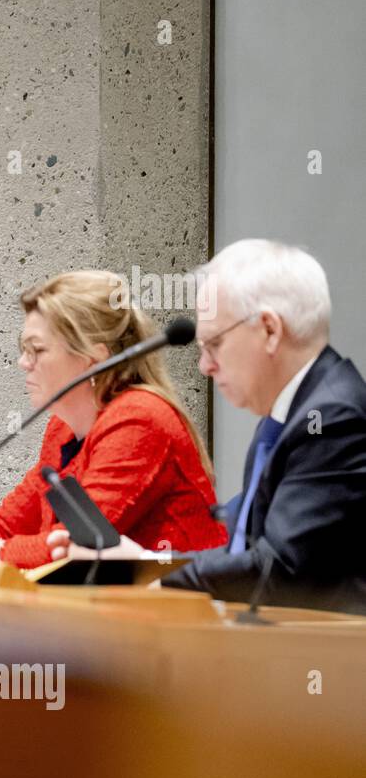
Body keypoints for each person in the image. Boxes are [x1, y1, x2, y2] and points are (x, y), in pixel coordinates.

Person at [49, 240, 366, 614]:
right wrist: (151, 563)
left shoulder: (331, 418)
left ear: (269, 329)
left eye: (213, 343)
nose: (205, 366)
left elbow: (279, 569)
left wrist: (150, 575)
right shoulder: (293, 413)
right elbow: (245, 552)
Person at [0, 270, 226, 568]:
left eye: (37, 350)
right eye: (23, 349)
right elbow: (9, 523)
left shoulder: (140, 420)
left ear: (93, 358)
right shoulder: (62, 427)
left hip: (183, 623)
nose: (23, 363)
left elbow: (75, 547)